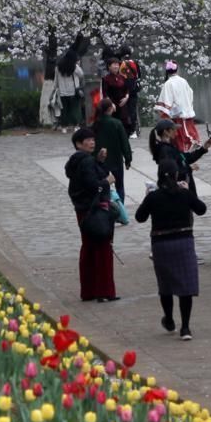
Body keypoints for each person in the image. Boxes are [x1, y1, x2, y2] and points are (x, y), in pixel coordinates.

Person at [134, 163, 208, 340]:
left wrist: (147, 198)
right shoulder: (184, 193)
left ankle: (169, 320)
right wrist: (188, 190)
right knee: (185, 286)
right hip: (184, 243)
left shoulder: (154, 197)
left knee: (165, 285)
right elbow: (201, 209)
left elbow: (140, 217)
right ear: (176, 176)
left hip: (161, 244)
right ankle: (186, 328)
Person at [66, 126, 117, 302]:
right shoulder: (86, 161)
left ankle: (88, 291)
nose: (92, 142)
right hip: (95, 210)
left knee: (88, 248)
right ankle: (104, 291)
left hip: (83, 211)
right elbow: (94, 185)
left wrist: (100, 161)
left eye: (93, 139)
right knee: (102, 249)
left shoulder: (78, 161)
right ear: (78, 144)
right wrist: (107, 181)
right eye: (87, 140)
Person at [148, 118, 210, 189]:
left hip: (184, 187)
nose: (176, 133)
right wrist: (189, 168)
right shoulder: (165, 151)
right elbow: (171, 171)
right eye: (173, 129)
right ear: (166, 132)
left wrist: (204, 148)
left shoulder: (171, 147)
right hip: (179, 190)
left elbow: (186, 158)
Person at [93, 96, 133, 198]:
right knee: (120, 186)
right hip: (116, 160)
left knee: (104, 186)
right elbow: (124, 143)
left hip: (101, 161)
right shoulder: (117, 123)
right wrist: (128, 159)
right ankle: (120, 208)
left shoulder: (95, 124)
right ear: (110, 108)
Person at [156, 61, 199, 152]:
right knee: (187, 130)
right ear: (176, 69)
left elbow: (166, 100)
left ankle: (187, 146)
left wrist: (165, 111)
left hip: (177, 114)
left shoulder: (168, 84)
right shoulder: (183, 81)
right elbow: (190, 93)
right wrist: (188, 105)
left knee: (179, 135)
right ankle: (191, 144)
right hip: (186, 111)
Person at [54, 54, 82, 127]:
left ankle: (64, 126)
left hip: (62, 92)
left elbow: (56, 80)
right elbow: (81, 74)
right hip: (73, 91)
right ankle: (76, 125)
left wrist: (55, 89)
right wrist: (77, 65)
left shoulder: (58, 67)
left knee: (64, 110)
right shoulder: (74, 67)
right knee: (74, 109)